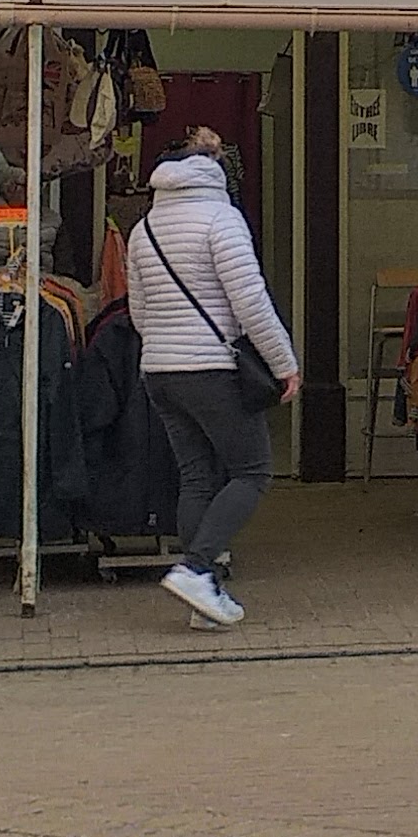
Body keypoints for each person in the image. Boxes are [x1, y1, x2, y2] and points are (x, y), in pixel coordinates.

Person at [123, 131, 296, 630]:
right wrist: (284, 363)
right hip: (212, 368)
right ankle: (198, 570)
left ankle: (205, 599)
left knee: (197, 476)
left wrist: (167, 346)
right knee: (253, 471)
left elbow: (139, 312)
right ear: (215, 169)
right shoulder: (222, 219)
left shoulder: (144, 227)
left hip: (160, 371)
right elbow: (251, 302)